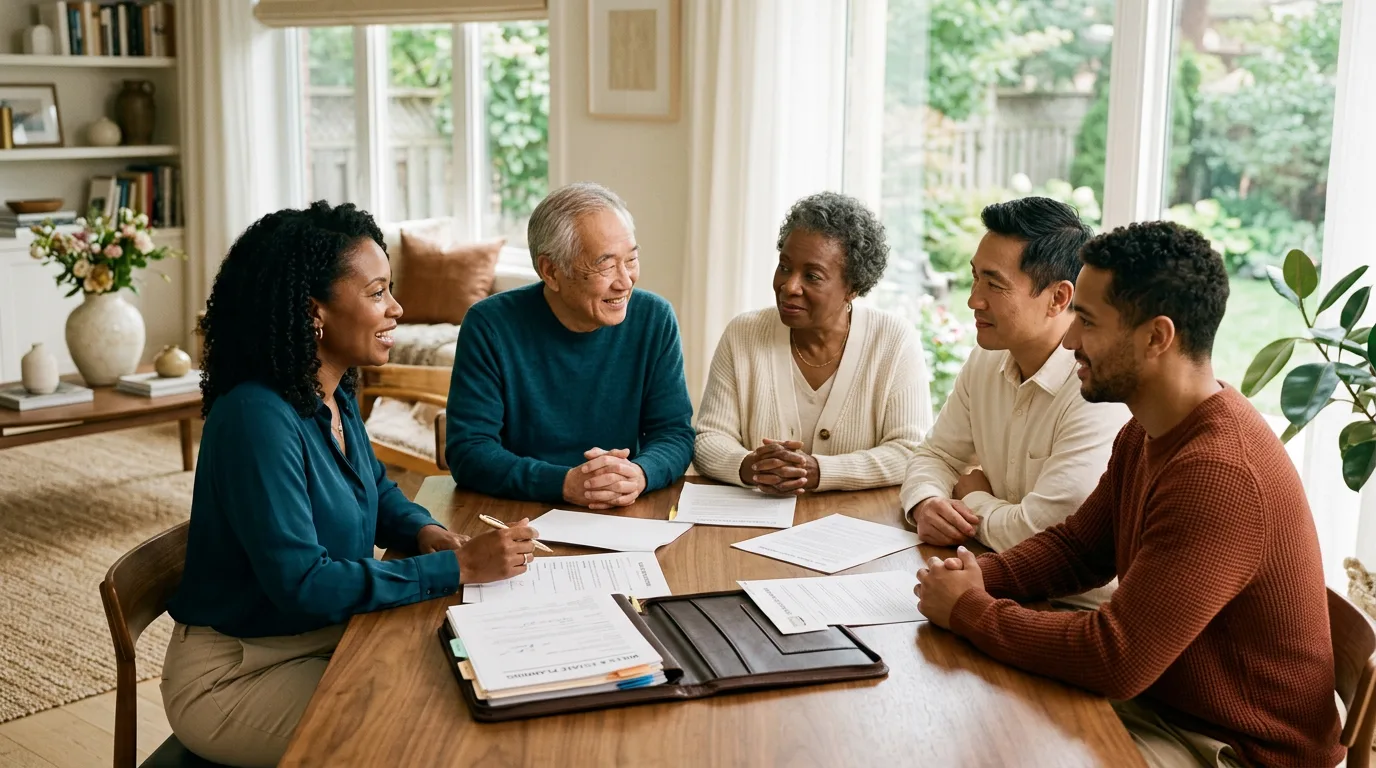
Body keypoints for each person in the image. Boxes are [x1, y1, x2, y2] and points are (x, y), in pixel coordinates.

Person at [915, 221, 1343, 768]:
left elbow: (1116, 657)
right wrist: (977, 579)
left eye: (1087, 322)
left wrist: (973, 612)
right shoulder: (1149, 427)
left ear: (1156, 337)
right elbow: (1078, 549)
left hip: (1237, 748)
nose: (1069, 341)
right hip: (1168, 703)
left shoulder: (1219, 472)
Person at [162, 202, 538, 768]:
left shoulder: (332, 392)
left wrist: (427, 530)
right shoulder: (255, 419)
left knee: (473, 675)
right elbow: (303, 583)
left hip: (317, 637)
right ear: (314, 311)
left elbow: (376, 489)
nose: (397, 308)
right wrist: (458, 568)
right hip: (238, 674)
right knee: (426, 731)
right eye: (376, 292)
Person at [901, 197, 1129, 607]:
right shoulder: (987, 357)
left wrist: (971, 498)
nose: (973, 300)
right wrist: (927, 502)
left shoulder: (1097, 388)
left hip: (1071, 610)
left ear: (1059, 298)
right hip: (992, 579)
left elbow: (1046, 536)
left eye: (994, 284)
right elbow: (935, 453)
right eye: (974, 278)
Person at [446, 182, 694, 506]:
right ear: (551, 271)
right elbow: (469, 451)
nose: (625, 280)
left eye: (630, 260)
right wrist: (563, 483)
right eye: (606, 265)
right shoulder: (489, 325)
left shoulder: (655, 318)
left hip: (623, 510)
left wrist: (640, 474)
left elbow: (675, 434)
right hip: (518, 511)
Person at [693, 192, 932, 493]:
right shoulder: (744, 333)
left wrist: (820, 471)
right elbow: (708, 439)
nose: (789, 286)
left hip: (857, 525)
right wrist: (751, 466)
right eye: (784, 266)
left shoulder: (893, 340)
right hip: (754, 527)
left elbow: (910, 451)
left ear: (853, 287)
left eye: (812, 276)